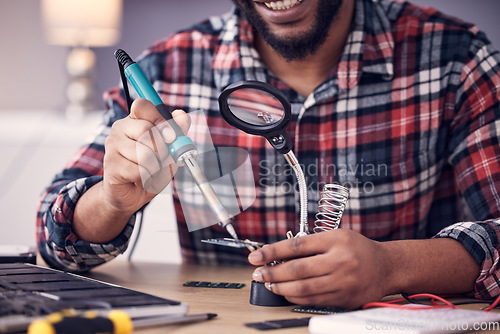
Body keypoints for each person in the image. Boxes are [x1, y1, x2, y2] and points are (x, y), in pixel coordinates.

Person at [37, 0, 500, 309]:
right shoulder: (166, 71)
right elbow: (52, 240)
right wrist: (112, 200)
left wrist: (392, 267)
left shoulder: (454, 58)